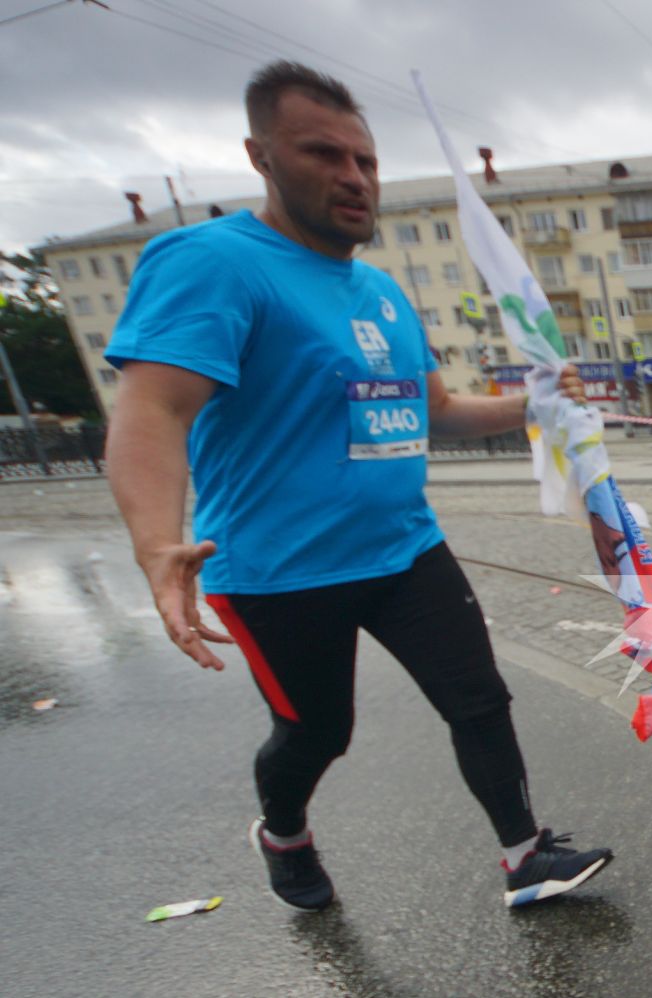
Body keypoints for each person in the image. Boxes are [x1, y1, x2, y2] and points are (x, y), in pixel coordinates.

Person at [104, 61, 613, 912]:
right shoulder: (213, 264)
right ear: (261, 156)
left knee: (479, 698)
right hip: (278, 571)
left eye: (365, 161)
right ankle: (284, 833)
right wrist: (158, 546)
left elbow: (438, 410)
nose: (353, 178)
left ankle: (527, 856)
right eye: (323, 154)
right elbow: (151, 410)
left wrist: (539, 403)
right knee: (317, 732)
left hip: (403, 548)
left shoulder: (379, 291)